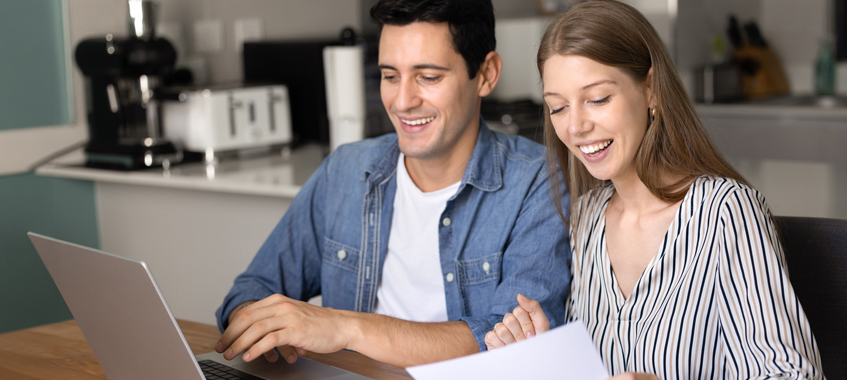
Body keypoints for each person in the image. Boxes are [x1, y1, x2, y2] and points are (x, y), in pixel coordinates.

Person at [213, 0, 572, 368]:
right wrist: (268, 330)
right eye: (389, 76)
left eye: (428, 77)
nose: (402, 101)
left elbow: (519, 343)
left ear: (486, 74)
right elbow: (251, 290)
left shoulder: (540, 181)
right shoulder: (345, 170)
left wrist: (345, 327)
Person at [483, 1, 825, 379]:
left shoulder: (725, 213)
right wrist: (542, 360)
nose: (576, 127)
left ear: (650, 90)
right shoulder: (586, 217)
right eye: (558, 107)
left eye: (597, 99)